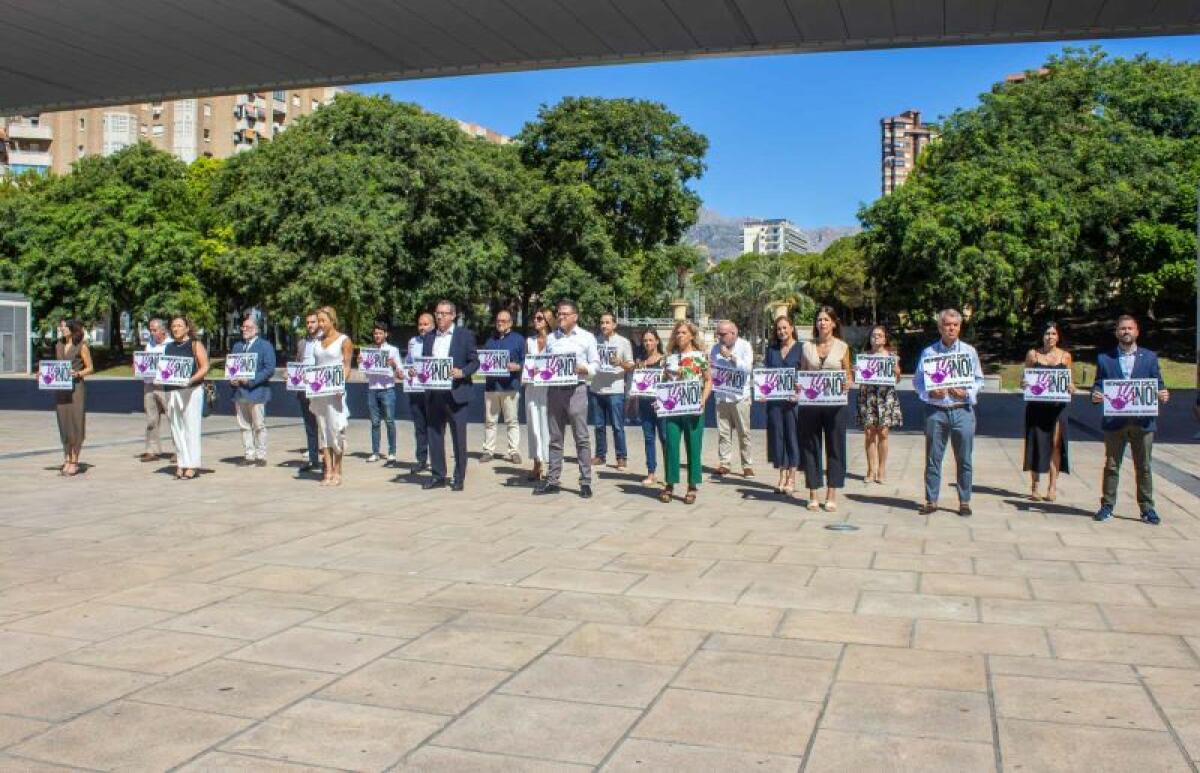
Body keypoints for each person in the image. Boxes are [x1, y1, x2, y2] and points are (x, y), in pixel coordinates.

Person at [1092, 314, 1170, 525]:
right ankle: (1107, 505)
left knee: (1144, 466)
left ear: (1137, 332)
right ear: (1116, 332)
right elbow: (1099, 384)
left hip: (1142, 421)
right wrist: (1096, 394)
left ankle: (1147, 508)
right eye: (1122, 328)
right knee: (1111, 465)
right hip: (1114, 422)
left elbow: (1158, 384)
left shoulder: (1150, 357)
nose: (1126, 331)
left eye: (1130, 328)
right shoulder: (1104, 358)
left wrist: (1162, 393)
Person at [914, 308, 985, 517]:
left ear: (960, 327)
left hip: (962, 410)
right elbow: (918, 381)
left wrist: (966, 392)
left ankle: (964, 501)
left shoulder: (969, 352)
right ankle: (931, 500)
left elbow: (979, 380)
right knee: (933, 457)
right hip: (936, 411)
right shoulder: (929, 353)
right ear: (940, 327)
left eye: (955, 324)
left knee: (964, 458)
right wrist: (930, 392)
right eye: (947, 324)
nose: (951, 328)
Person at [534, 299, 600, 498]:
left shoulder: (587, 337)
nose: (560, 317)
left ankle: (585, 481)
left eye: (564, 314)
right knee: (555, 438)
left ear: (575, 317)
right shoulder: (552, 338)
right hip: (554, 391)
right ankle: (553, 480)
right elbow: (544, 361)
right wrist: (538, 369)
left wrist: (584, 369)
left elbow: (596, 364)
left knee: (581, 438)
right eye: (559, 313)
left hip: (577, 390)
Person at [418, 300, 478, 491]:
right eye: (438, 313)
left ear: (453, 316)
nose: (440, 317)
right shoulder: (428, 337)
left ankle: (459, 477)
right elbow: (425, 363)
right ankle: (438, 475)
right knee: (434, 435)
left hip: (457, 393)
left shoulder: (464, 335)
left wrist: (462, 372)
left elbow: (475, 362)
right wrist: (416, 371)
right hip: (434, 394)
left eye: (444, 313)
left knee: (458, 437)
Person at [798, 306, 854, 511]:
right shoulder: (806, 347)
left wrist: (848, 382)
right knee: (811, 446)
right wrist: (798, 385)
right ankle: (813, 493)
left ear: (833, 323)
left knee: (835, 446)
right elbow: (802, 372)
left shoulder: (842, 347)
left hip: (835, 406)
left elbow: (848, 374)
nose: (822, 323)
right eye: (819, 319)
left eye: (826, 319)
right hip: (811, 406)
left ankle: (832, 493)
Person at [659, 320, 712, 505]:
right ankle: (670, 483)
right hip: (674, 408)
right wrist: (659, 400)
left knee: (693, 446)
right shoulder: (670, 358)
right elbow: (663, 383)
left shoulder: (700, 357)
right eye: (677, 333)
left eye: (683, 332)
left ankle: (692, 486)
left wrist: (703, 400)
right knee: (671, 445)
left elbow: (708, 381)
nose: (679, 336)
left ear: (691, 335)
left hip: (693, 407)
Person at [1023, 322, 1072, 502]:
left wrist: (1071, 387)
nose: (1050, 336)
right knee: (1035, 443)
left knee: (1055, 445)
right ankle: (1035, 485)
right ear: (1041, 336)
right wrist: (1024, 384)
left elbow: (1069, 381)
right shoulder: (1033, 355)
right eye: (1047, 333)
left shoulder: (1065, 356)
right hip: (1036, 407)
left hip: (1057, 408)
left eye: (1053, 333)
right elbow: (1025, 377)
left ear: (1058, 336)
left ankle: (1052, 487)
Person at [309, 306, 352, 486]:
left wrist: (341, 383)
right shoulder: (317, 342)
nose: (320, 324)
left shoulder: (344, 340)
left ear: (332, 321)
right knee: (323, 430)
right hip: (319, 392)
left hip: (335, 392)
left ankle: (338, 469)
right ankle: (327, 470)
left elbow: (347, 366)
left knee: (337, 429)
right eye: (318, 321)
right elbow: (313, 365)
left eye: (323, 321)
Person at [163, 315, 210, 480]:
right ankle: (181, 463)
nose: (176, 328)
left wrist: (190, 379)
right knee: (177, 429)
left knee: (191, 427)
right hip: (172, 391)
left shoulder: (195, 344)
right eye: (173, 326)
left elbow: (205, 367)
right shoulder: (168, 347)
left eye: (179, 325)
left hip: (191, 390)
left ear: (187, 328)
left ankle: (192, 465)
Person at [857, 325, 903, 484]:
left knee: (883, 433)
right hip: (868, 396)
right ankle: (871, 469)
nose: (876, 338)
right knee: (869, 433)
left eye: (879, 335)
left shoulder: (891, 356)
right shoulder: (864, 356)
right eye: (873, 335)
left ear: (885, 339)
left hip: (885, 397)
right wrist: (857, 371)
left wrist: (896, 371)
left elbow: (897, 380)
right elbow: (859, 378)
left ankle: (882, 469)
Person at [230, 316, 276, 467]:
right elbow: (232, 368)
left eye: (248, 327)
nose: (244, 330)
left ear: (256, 330)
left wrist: (251, 381)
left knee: (259, 425)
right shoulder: (237, 346)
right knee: (244, 426)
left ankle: (261, 455)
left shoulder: (265, 346)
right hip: (240, 393)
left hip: (257, 391)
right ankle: (249, 455)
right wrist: (232, 379)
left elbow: (269, 369)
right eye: (243, 327)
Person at [710, 320, 755, 478]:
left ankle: (747, 465)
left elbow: (748, 369)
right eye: (718, 334)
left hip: (740, 397)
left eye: (722, 334)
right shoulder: (715, 348)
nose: (720, 338)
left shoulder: (745, 346)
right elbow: (712, 369)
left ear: (733, 333)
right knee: (723, 433)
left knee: (744, 433)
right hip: (722, 397)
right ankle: (724, 463)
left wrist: (730, 357)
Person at [590, 312, 634, 470]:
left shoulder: (623, 342)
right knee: (599, 425)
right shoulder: (595, 341)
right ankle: (600, 455)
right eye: (602, 322)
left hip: (615, 390)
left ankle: (621, 457)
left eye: (607, 323)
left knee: (617, 426)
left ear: (614, 325)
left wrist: (620, 362)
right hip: (597, 389)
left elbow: (631, 365)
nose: (604, 326)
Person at [481, 309, 525, 464]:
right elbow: (483, 361)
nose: (500, 323)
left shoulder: (519, 340)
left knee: (512, 421)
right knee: (490, 421)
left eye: (504, 321)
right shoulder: (490, 340)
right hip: (492, 387)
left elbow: (526, 362)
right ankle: (488, 450)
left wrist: (518, 367)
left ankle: (514, 451)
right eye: (498, 320)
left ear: (511, 323)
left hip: (510, 387)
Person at [765, 315, 801, 496]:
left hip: (794, 403)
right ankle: (781, 475)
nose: (782, 331)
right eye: (779, 329)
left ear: (792, 328)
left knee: (792, 437)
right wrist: (762, 391)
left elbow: (807, 372)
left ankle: (792, 476)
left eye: (785, 328)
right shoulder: (771, 349)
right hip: (775, 403)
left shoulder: (802, 348)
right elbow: (765, 374)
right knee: (778, 437)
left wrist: (800, 388)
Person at [52, 320, 94, 476]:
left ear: (72, 328)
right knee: (64, 424)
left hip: (76, 389)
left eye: (64, 326)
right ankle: (66, 458)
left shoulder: (81, 346)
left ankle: (75, 460)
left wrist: (77, 373)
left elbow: (90, 368)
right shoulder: (58, 345)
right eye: (61, 326)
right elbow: (54, 367)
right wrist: (44, 375)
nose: (62, 328)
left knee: (76, 423)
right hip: (60, 389)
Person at [627, 328, 666, 486]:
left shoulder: (664, 360)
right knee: (649, 439)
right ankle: (651, 472)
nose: (648, 343)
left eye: (651, 340)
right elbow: (636, 384)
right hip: (645, 404)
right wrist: (632, 401)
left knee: (665, 439)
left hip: (662, 405)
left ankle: (670, 472)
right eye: (645, 341)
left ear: (657, 341)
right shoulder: (640, 362)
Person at [524, 306, 556, 482]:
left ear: (548, 321)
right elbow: (526, 364)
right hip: (532, 387)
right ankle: (537, 463)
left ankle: (551, 464)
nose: (536, 321)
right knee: (533, 426)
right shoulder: (529, 341)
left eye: (539, 318)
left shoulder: (555, 340)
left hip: (548, 388)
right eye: (535, 318)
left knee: (547, 426)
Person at [364, 320, 401, 464]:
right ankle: (375, 452)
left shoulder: (393, 350)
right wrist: (363, 363)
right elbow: (366, 374)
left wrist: (393, 365)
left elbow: (400, 371)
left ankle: (392, 452)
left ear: (386, 334)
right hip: (372, 389)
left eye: (380, 333)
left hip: (387, 389)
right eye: (375, 333)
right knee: (374, 422)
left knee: (390, 421)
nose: (377, 335)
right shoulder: (369, 351)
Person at [406, 312, 434, 473]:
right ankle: (421, 459)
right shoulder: (412, 342)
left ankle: (435, 459)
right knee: (420, 427)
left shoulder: (437, 340)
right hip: (416, 390)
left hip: (431, 391)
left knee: (433, 427)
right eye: (420, 324)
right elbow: (409, 362)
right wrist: (408, 370)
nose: (422, 328)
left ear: (432, 325)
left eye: (426, 324)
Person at [295, 312, 322, 476]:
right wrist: (290, 375)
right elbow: (298, 363)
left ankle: (327, 460)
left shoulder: (325, 341)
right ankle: (313, 459)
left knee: (324, 426)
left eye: (313, 322)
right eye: (308, 322)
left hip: (320, 389)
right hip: (304, 389)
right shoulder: (302, 343)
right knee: (310, 426)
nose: (310, 325)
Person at [141, 318, 169, 462]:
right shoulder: (149, 344)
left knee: (173, 418)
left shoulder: (170, 344)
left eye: (155, 330)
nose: (152, 333)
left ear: (163, 330)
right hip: (149, 384)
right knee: (151, 418)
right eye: (150, 330)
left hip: (165, 385)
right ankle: (152, 450)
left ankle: (179, 451)